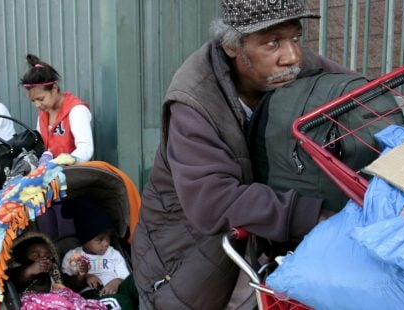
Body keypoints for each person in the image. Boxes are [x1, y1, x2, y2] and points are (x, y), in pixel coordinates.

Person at [132, 1, 352, 308]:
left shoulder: (297, 67)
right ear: (233, 46)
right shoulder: (194, 99)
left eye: (296, 38)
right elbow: (213, 199)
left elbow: (363, 97)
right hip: (183, 251)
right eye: (273, 42)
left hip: (252, 247)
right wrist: (315, 215)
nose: (292, 56)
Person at [20, 54, 93, 162]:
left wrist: (65, 161)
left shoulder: (76, 110)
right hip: (49, 175)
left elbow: (86, 148)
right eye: (33, 101)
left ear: (54, 89)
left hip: (73, 174)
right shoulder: (44, 111)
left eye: (40, 99)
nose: (37, 105)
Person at [61, 202, 129, 298]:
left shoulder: (113, 254)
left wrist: (117, 281)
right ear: (85, 240)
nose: (106, 243)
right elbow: (69, 285)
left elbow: (125, 277)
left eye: (108, 238)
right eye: (99, 240)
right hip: (90, 294)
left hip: (116, 291)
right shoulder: (74, 255)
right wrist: (83, 277)